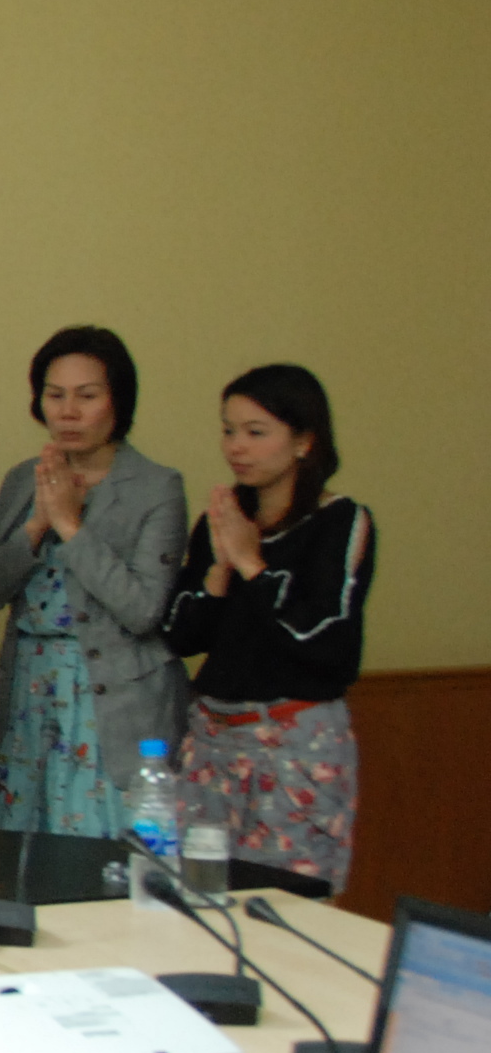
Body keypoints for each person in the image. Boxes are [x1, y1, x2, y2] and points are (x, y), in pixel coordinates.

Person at [0, 327, 188, 837]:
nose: (68, 412)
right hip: (30, 687)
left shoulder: (157, 487)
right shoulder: (23, 480)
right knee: (24, 851)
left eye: (86, 396)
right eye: (55, 395)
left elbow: (143, 610)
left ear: (118, 401)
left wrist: (69, 525)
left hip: (112, 700)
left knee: (104, 855)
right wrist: (35, 528)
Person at [164, 365, 376, 892]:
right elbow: (181, 637)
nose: (236, 447)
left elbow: (325, 644)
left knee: (284, 907)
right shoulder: (223, 519)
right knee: (198, 899)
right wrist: (219, 571)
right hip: (211, 740)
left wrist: (252, 565)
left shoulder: (340, 521)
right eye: (228, 430)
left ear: (304, 441)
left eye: (256, 432)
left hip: (292, 743)